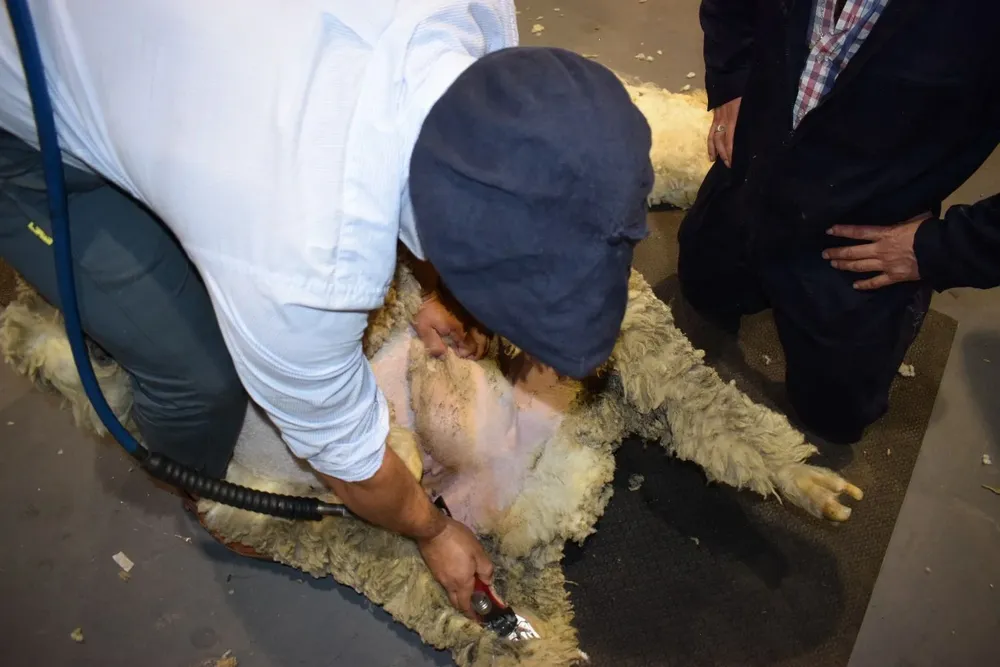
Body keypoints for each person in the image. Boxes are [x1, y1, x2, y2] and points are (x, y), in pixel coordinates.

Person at [0, 1, 653, 616]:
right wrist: (431, 529)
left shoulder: (480, 26)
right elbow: (352, 465)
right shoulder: (307, 271)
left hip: (185, 63)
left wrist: (446, 286)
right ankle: (200, 486)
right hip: (28, 105)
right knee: (199, 379)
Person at [680, 0, 1000, 444]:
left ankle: (900, 305)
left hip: (861, 228)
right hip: (759, 165)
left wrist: (937, 249)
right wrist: (730, 81)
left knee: (833, 414)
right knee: (702, 288)